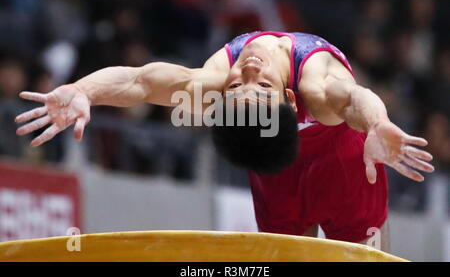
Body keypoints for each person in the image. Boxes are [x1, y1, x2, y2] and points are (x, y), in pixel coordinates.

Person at [15, 31, 434, 251]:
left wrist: (376, 124)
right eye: (253, 85)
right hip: (272, 163)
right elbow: (138, 81)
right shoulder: (220, 90)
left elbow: (356, 99)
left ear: (294, 100)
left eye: (243, 86)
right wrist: (85, 91)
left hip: (343, 161)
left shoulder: (318, 90)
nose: (249, 70)